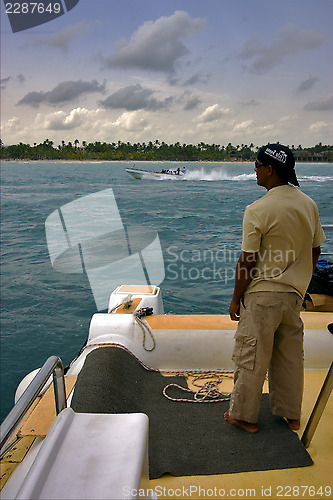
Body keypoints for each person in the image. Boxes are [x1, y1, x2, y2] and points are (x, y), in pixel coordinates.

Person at [225, 143, 326, 433]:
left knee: (251, 356)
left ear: (270, 169)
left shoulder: (257, 209)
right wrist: (301, 281)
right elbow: (315, 250)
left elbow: (247, 260)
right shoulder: (308, 204)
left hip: (262, 296)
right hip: (294, 296)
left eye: (257, 165)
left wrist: (235, 300)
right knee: (290, 357)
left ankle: (244, 416)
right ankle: (291, 415)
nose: (254, 170)